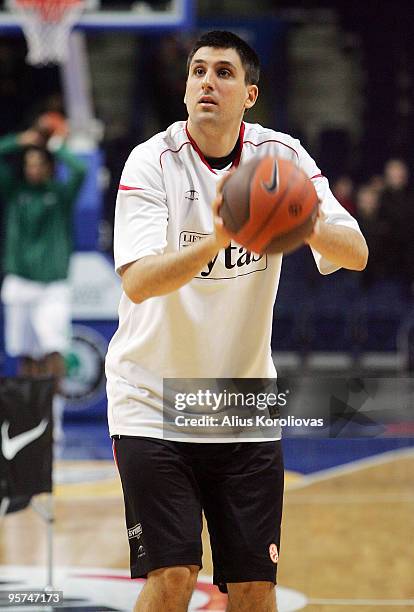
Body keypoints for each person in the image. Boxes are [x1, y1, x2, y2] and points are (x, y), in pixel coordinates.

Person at [106, 31, 368, 612]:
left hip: (243, 401)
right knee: (173, 576)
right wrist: (223, 232)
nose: (207, 82)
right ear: (185, 89)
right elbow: (138, 280)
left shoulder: (283, 157)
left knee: (254, 588)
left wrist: (297, 218)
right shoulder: (151, 160)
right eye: (198, 71)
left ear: (249, 94)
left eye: (224, 73)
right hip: (151, 395)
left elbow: (355, 251)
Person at [0, 126, 87, 445]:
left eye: (39, 163)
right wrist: (19, 139)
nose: (33, 168)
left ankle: (55, 418)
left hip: (52, 286)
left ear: (49, 167)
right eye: (29, 163)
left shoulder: (60, 194)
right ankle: (29, 420)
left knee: (54, 350)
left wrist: (53, 143)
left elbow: (80, 169)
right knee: (25, 357)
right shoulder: (15, 191)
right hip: (19, 284)